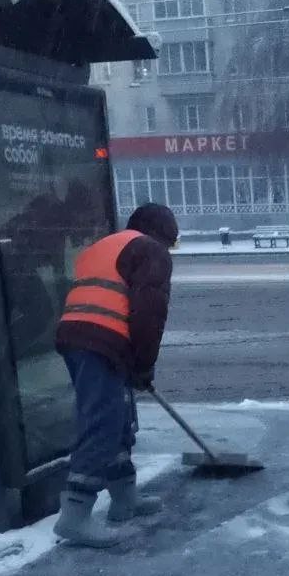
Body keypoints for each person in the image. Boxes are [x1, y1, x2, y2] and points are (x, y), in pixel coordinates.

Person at [53, 203, 178, 547]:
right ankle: (74, 516)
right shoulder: (151, 251)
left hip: (80, 338)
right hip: (101, 341)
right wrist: (144, 365)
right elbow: (148, 315)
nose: (169, 251)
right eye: (172, 243)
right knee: (103, 424)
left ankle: (125, 498)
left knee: (116, 419)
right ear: (163, 235)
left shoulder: (110, 244)